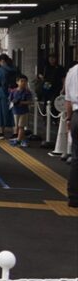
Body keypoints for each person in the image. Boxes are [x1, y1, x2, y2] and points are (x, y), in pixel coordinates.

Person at [64, 60, 78, 208]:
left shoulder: (72, 71)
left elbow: (67, 100)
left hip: (76, 116)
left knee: (76, 158)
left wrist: (69, 119)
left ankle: (74, 197)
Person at [0, 53, 17, 139]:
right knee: (13, 112)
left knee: (1, 113)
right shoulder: (14, 69)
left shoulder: (0, 71)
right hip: (14, 93)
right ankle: (15, 131)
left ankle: (2, 132)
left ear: (1, 61)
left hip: (2, 93)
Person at [8, 75, 34, 147]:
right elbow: (10, 99)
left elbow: (30, 101)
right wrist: (14, 101)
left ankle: (18, 140)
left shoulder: (27, 92)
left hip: (24, 111)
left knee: (21, 126)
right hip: (15, 111)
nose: (23, 83)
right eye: (21, 81)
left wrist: (21, 102)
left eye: (25, 81)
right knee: (17, 126)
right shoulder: (13, 91)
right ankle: (23, 139)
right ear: (17, 82)